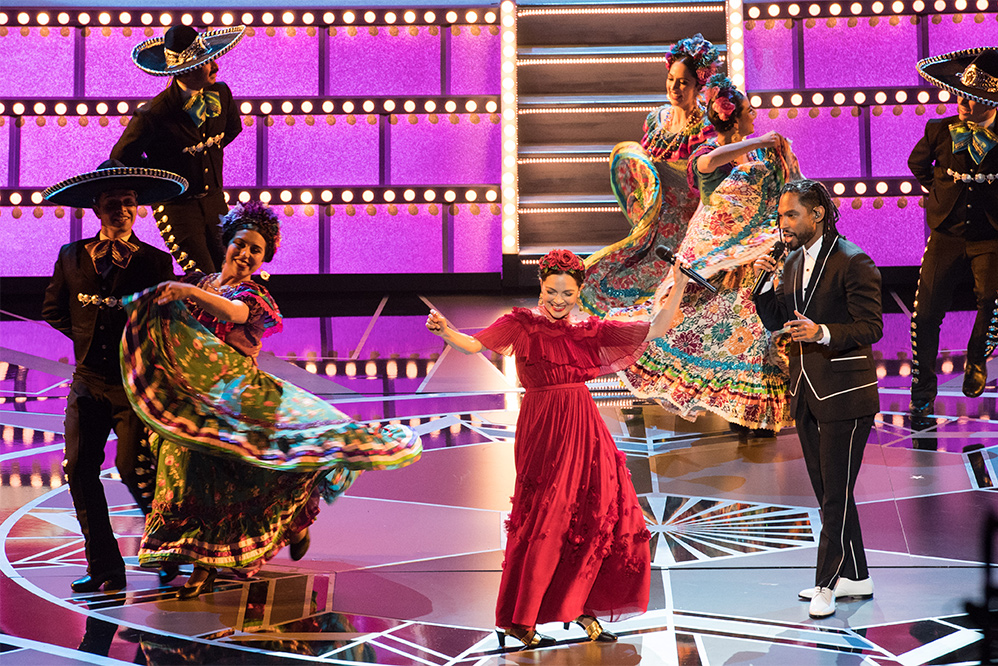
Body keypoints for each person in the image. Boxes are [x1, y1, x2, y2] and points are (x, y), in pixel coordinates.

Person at [120, 201, 422, 598]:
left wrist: (186, 291)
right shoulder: (201, 284)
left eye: (255, 250)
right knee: (186, 475)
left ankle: (279, 529)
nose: (245, 255)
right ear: (227, 243)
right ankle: (198, 557)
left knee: (265, 463)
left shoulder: (252, 295)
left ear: (264, 258)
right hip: (196, 399)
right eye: (240, 245)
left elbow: (234, 313)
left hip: (241, 397)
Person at [426, 249, 690, 649]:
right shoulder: (521, 325)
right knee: (545, 517)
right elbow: (472, 345)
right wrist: (446, 331)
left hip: (585, 429)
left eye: (567, 293)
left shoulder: (590, 332)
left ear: (580, 291)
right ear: (541, 286)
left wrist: (681, 281)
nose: (558, 301)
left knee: (598, 513)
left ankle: (583, 608)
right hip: (543, 430)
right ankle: (520, 618)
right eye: (552, 291)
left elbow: (656, 329)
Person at [617, 75, 795, 433]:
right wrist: (759, 140)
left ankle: (748, 410)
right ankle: (709, 393)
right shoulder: (706, 155)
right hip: (716, 256)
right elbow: (710, 163)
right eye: (748, 112)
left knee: (749, 328)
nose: (754, 117)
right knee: (699, 325)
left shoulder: (761, 154)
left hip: (754, 259)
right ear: (733, 118)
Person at [40, 160, 186, 592]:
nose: (120, 210)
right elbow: (53, 310)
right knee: (79, 469)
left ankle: (168, 552)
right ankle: (104, 567)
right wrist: (84, 335)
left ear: (137, 208)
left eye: (127, 203)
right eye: (111, 204)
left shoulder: (156, 262)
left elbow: (166, 322)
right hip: (87, 382)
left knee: (134, 468)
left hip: (133, 383)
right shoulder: (70, 256)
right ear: (96, 209)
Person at [753, 179, 883, 619]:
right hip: (806, 390)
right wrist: (764, 280)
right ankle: (857, 575)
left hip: (847, 394)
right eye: (780, 216)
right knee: (831, 490)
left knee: (834, 495)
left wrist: (823, 333)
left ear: (818, 214)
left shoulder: (852, 260)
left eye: (791, 215)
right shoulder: (791, 262)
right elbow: (775, 316)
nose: (783, 224)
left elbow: (871, 327)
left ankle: (826, 583)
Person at [580, 34, 718, 316]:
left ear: (699, 84)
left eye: (684, 82)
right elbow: (643, 169)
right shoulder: (657, 119)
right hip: (656, 218)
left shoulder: (706, 126)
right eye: (671, 79)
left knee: (675, 294)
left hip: (688, 223)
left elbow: (708, 178)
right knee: (622, 273)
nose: (675, 88)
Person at [908, 47, 998, 422]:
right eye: (959, 94)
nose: (961, 102)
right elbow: (917, 164)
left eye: (971, 99)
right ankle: (922, 393)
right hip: (946, 232)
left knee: (992, 299)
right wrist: (941, 192)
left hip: (990, 234)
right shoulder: (940, 130)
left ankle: (977, 357)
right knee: (925, 314)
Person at [111, 24, 246, 274]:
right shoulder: (154, 114)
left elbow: (231, 130)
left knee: (231, 273)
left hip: (216, 203)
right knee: (203, 277)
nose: (215, 66)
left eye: (212, 58)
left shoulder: (222, 93)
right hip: (178, 209)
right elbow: (120, 158)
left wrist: (201, 154)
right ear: (185, 71)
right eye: (207, 62)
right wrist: (162, 176)